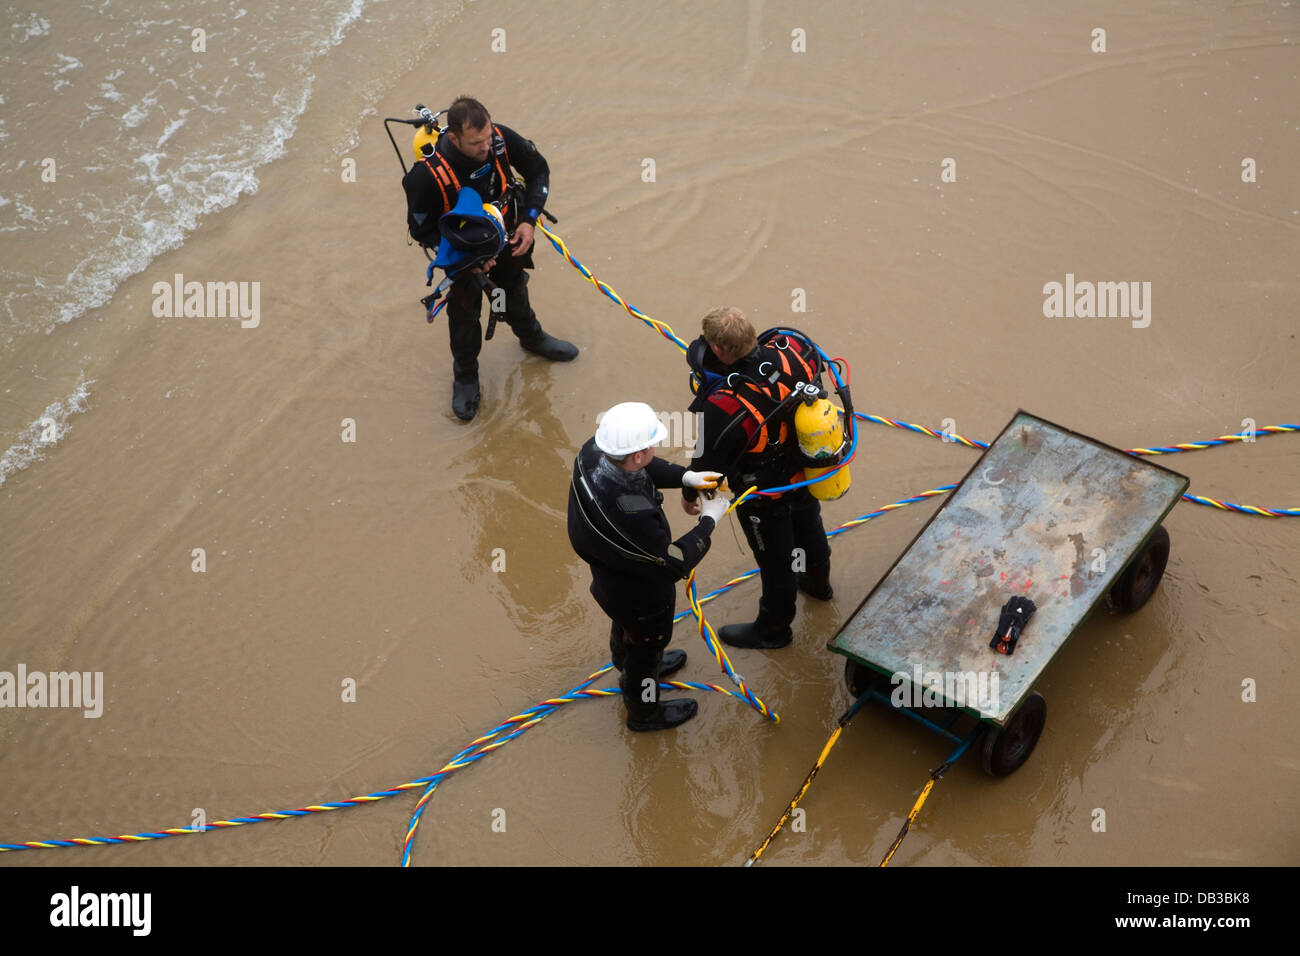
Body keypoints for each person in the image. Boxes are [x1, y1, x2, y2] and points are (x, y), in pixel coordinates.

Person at [402, 96, 577, 421]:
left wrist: (529, 219)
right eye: (475, 143)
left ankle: (532, 338)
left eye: (487, 138)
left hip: (508, 236)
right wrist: (467, 258)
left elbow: (539, 171)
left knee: (515, 290)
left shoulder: (500, 140)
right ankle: (466, 377)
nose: (486, 147)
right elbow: (420, 229)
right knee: (465, 316)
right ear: (453, 138)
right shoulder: (425, 176)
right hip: (462, 257)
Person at [567, 402, 729, 731]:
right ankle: (643, 710)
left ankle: (625, 660)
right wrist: (709, 521)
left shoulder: (593, 452)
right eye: (650, 444)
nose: (654, 448)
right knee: (648, 644)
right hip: (640, 597)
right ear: (637, 455)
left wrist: (686, 476)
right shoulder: (632, 514)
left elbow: (644, 468)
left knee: (627, 628)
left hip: (609, 578)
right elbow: (674, 563)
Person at [683, 307, 834, 650]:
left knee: (776, 563)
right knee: (810, 528)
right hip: (807, 474)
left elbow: (707, 464)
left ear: (718, 351)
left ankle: (773, 631)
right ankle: (818, 585)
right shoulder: (797, 349)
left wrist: (689, 495)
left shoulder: (723, 406)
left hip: (764, 495)